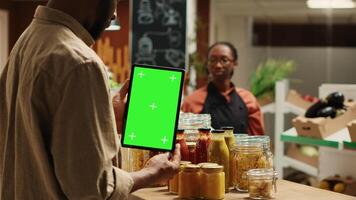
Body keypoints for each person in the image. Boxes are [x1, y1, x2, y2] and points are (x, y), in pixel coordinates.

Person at [0, 0, 180, 199]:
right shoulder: (80, 61)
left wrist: (104, 119)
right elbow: (94, 189)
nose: (113, 16)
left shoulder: (27, 41)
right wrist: (151, 173)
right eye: (115, 2)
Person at [182, 42, 264, 135]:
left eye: (224, 60)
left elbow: (257, 140)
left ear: (235, 63)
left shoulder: (248, 99)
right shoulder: (192, 101)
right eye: (212, 60)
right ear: (207, 64)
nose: (218, 65)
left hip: (240, 150)